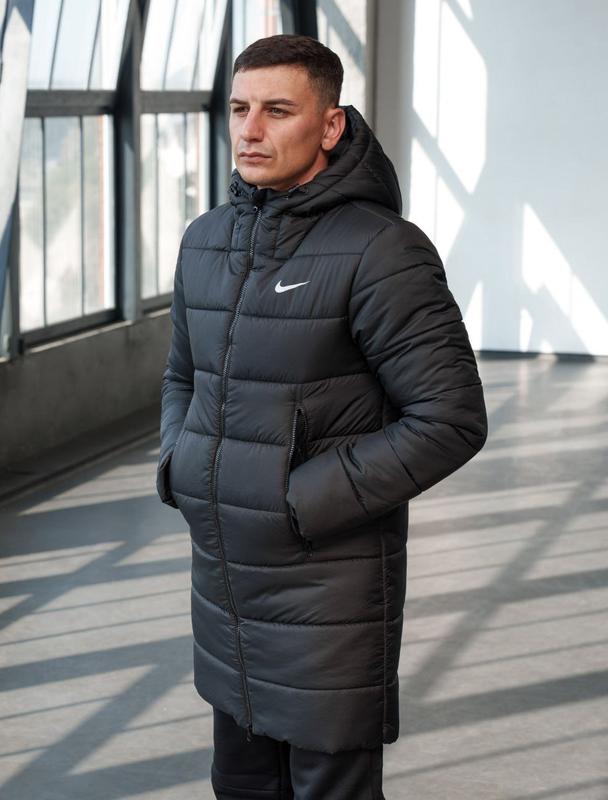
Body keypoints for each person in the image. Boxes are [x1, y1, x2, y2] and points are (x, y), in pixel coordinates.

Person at [157, 33, 487, 800]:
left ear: (330, 125)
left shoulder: (382, 251)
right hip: (224, 583)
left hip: (326, 594)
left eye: (277, 111)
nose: (250, 130)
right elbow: (181, 375)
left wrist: (298, 501)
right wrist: (181, 463)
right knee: (241, 786)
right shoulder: (204, 242)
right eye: (239, 109)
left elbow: (451, 418)